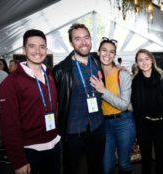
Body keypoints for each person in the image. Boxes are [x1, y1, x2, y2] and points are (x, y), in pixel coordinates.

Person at [0, 29, 61, 174]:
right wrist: (18, 161)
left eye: (42, 46)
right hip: (30, 150)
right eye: (32, 46)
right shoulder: (11, 82)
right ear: (24, 49)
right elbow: (9, 124)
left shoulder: (49, 74)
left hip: (54, 144)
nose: (38, 51)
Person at [52, 23, 105, 174]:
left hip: (97, 126)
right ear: (71, 42)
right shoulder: (61, 70)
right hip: (73, 131)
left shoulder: (97, 61)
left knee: (97, 167)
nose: (83, 42)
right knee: (71, 169)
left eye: (86, 38)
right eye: (78, 39)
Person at [90, 37, 136, 174]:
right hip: (104, 124)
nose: (107, 54)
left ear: (115, 55)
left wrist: (103, 91)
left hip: (124, 122)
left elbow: (124, 104)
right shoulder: (94, 74)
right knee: (106, 166)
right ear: (98, 52)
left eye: (111, 52)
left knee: (123, 163)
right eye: (104, 50)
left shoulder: (122, 75)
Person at [131, 49, 163, 174]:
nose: (144, 62)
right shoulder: (135, 82)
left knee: (161, 161)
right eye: (140, 60)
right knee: (146, 162)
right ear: (137, 63)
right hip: (144, 126)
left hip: (162, 125)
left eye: (147, 59)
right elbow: (135, 107)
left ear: (152, 60)